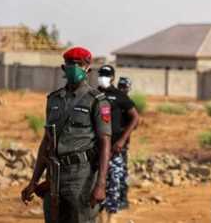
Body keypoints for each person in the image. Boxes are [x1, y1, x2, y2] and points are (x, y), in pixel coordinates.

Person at [20, 47, 112, 223]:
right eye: (70, 64)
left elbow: (105, 142)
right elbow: (46, 142)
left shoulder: (97, 101)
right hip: (54, 175)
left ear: (88, 69)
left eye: (79, 64)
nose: (74, 67)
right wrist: (33, 181)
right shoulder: (53, 100)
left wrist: (100, 184)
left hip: (82, 176)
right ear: (64, 68)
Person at [97, 65, 140, 222]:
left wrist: (122, 140)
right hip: (96, 149)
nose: (103, 77)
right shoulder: (94, 94)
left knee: (114, 181)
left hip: (115, 149)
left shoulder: (119, 96)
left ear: (113, 77)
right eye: (101, 74)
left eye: (107, 75)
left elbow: (135, 118)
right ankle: (99, 216)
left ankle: (112, 217)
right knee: (97, 181)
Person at [116, 76, 133, 208]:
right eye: (121, 87)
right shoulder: (114, 101)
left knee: (122, 172)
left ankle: (123, 199)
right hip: (111, 143)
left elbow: (134, 122)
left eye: (124, 87)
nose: (122, 89)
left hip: (123, 144)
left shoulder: (128, 104)